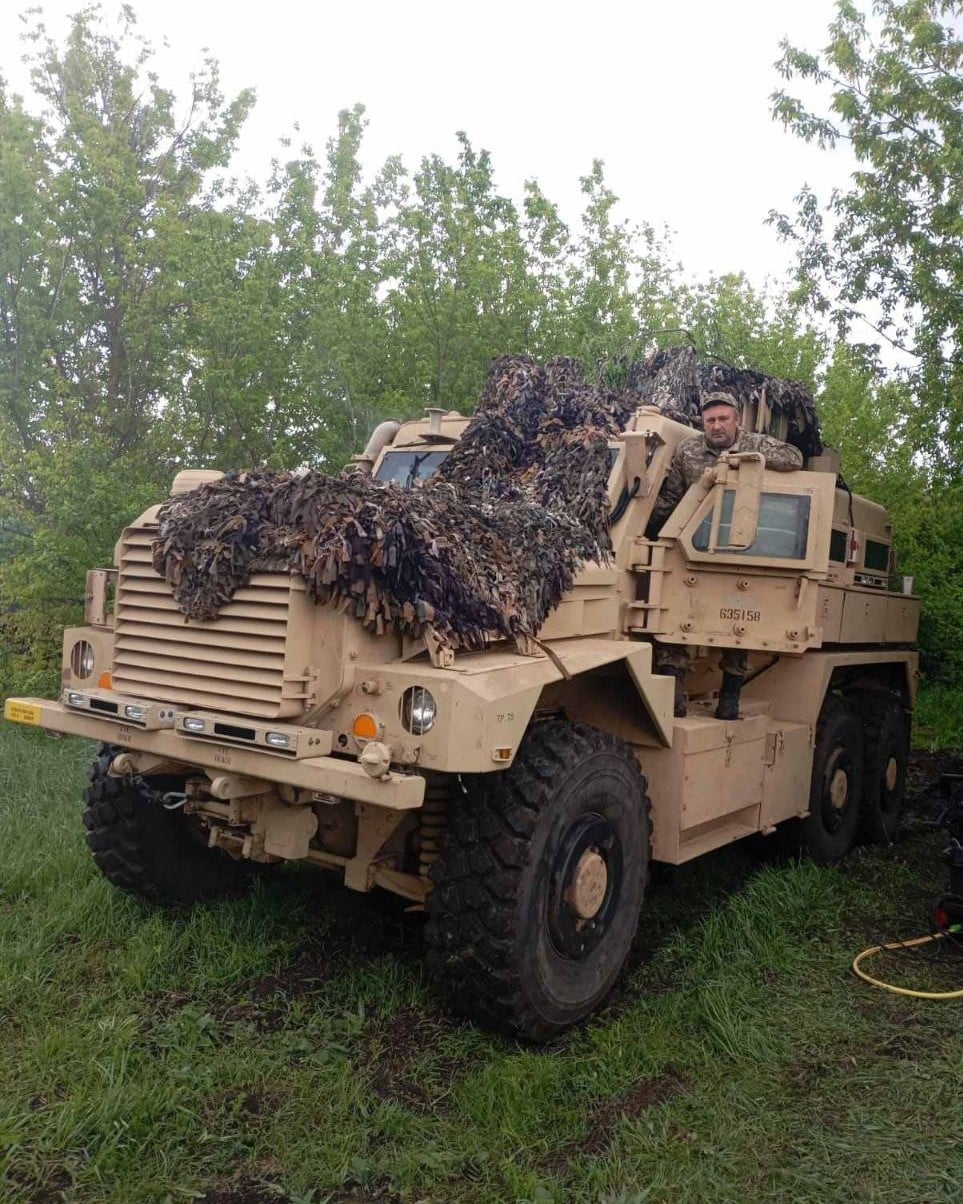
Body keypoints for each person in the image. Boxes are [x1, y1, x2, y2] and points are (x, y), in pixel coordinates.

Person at [652, 390, 804, 721]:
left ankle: (730, 696)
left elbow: (795, 458)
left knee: (737, 619)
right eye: (710, 421)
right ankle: (673, 691)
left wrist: (745, 461)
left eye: (723, 419)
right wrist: (649, 530)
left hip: (742, 544)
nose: (717, 426)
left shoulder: (755, 444)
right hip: (695, 542)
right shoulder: (688, 451)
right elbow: (672, 497)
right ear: (702, 423)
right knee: (673, 611)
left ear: (736, 419)